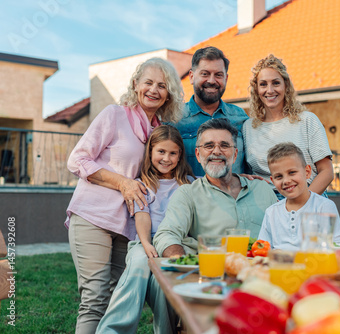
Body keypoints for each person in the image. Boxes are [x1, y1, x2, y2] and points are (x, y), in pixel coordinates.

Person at [65, 57, 184, 333]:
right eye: (148, 82)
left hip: (128, 225)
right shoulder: (114, 115)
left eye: (162, 85)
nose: (154, 90)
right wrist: (123, 183)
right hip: (93, 217)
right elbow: (78, 160)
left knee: (117, 302)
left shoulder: (158, 131)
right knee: (94, 299)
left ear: (168, 94)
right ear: (135, 84)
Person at [97, 125, 194, 334]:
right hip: (145, 241)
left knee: (162, 284)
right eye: (161, 151)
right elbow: (142, 216)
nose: (166, 158)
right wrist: (147, 243)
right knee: (140, 262)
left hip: (175, 244)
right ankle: (113, 329)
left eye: (172, 153)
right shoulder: (142, 184)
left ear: (180, 156)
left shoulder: (189, 184)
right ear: (150, 152)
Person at [153, 118, 277, 257]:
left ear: (235, 154)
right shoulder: (188, 194)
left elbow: (283, 233)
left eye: (224, 145)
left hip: (264, 273)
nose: (216, 151)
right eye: (209, 145)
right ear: (198, 155)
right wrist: (183, 263)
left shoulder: (262, 188)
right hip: (214, 273)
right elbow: (166, 234)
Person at [242, 54, 334, 197]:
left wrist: (301, 203)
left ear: (286, 86)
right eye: (263, 84)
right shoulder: (248, 127)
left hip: (308, 195)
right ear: (256, 89)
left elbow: (327, 172)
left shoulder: (306, 121)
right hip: (266, 202)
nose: (270, 90)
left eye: (276, 83)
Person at [173, 46, 249, 176]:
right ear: (191, 76)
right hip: (191, 195)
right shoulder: (174, 119)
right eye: (205, 74)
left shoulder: (240, 117)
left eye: (218, 75)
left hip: (233, 195)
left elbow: (249, 166)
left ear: (226, 78)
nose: (212, 80)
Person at [258, 142, 340, 250]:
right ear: (272, 181)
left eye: (292, 172)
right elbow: (262, 249)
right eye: (279, 176)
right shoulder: (271, 212)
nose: (286, 181)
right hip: (279, 265)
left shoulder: (324, 207)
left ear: (307, 172)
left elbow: (335, 246)